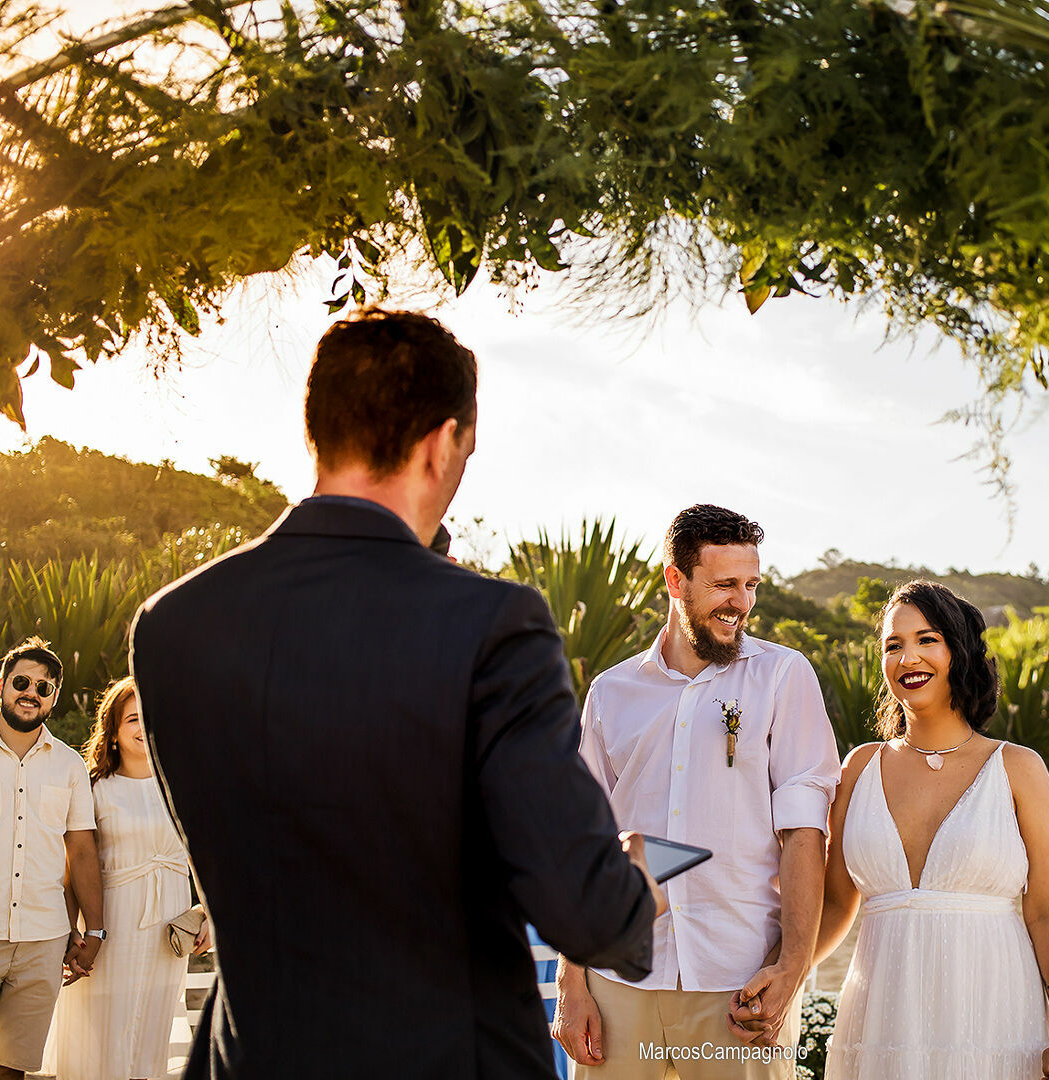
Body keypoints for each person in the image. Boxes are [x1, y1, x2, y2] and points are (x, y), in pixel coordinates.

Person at [130, 308, 661, 1079]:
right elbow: (584, 910)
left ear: (317, 430)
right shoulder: (492, 624)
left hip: (250, 1059)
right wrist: (637, 881)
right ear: (442, 443)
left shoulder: (171, 623)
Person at [553, 504, 840, 1080]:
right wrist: (571, 982)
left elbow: (805, 832)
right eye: (724, 584)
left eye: (751, 585)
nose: (741, 602)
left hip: (739, 983)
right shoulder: (611, 693)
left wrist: (792, 969)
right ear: (675, 580)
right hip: (616, 981)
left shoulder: (783, 677)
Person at [814, 580, 1049, 1080]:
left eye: (927, 639)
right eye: (893, 645)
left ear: (958, 651)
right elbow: (834, 904)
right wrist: (781, 973)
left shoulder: (1018, 769)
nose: (908, 658)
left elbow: (1047, 911)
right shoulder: (858, 769)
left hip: (994, 1019)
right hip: (881, 1023)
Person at [45, 676, 209, 1080]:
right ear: (114, 731)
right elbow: (72, 865)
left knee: (149, 1032)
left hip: (166, 927)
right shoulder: (94, 787)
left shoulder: (184, 786)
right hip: (111, 924)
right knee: (102, 1032)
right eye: (133, 718)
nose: (144, 726)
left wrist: (208, 912)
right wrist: (72, 931)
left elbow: (210, 857)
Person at [0, 638, 101, 1080]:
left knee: (12, 1071)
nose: (31, 693)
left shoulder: (69, 765)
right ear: (1, 685)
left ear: (54, 698)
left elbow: (81, 851)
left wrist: (94, 930)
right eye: (22, 682)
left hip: (43, 942)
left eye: (44, 688)